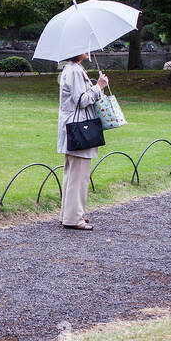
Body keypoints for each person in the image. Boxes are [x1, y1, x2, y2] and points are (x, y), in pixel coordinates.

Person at [57, 52, 109, 230]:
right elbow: (81, 100)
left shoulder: (74, 69)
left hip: (73, 126)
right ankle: (73, 218)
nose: (88, 50)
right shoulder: (74, 71)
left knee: (72, 174)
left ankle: (69, 214)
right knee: (79, 175)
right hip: (79, 128)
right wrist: (99, 86)